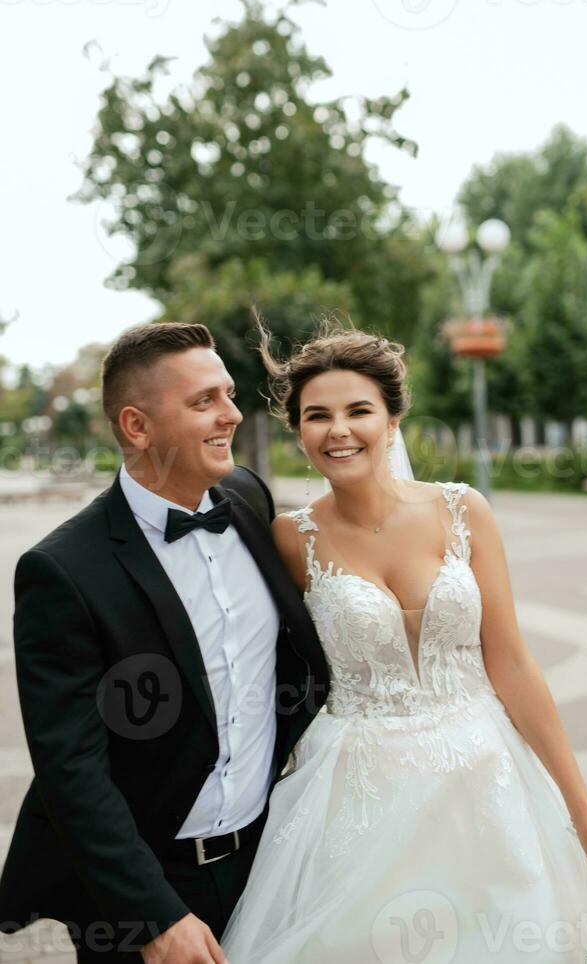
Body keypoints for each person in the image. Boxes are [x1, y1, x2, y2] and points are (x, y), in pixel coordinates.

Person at [221, 321, 587, 963]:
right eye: (317, 416)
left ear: (392, 420)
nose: (338, 431)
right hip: (357, 795)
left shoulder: (463, 510)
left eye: (359, 410)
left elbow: (514, 663)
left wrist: (583, 809)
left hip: (489, 776)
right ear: (298, 431)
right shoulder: (288, 539)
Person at [0, 322, 330, 963]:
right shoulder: (62, 570)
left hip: (266, 858)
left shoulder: (248, 500)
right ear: (137, 426)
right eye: (203, 401)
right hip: (144, 885)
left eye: (228, 394)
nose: (231, 414)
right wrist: (153, 916)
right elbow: (71, 769)